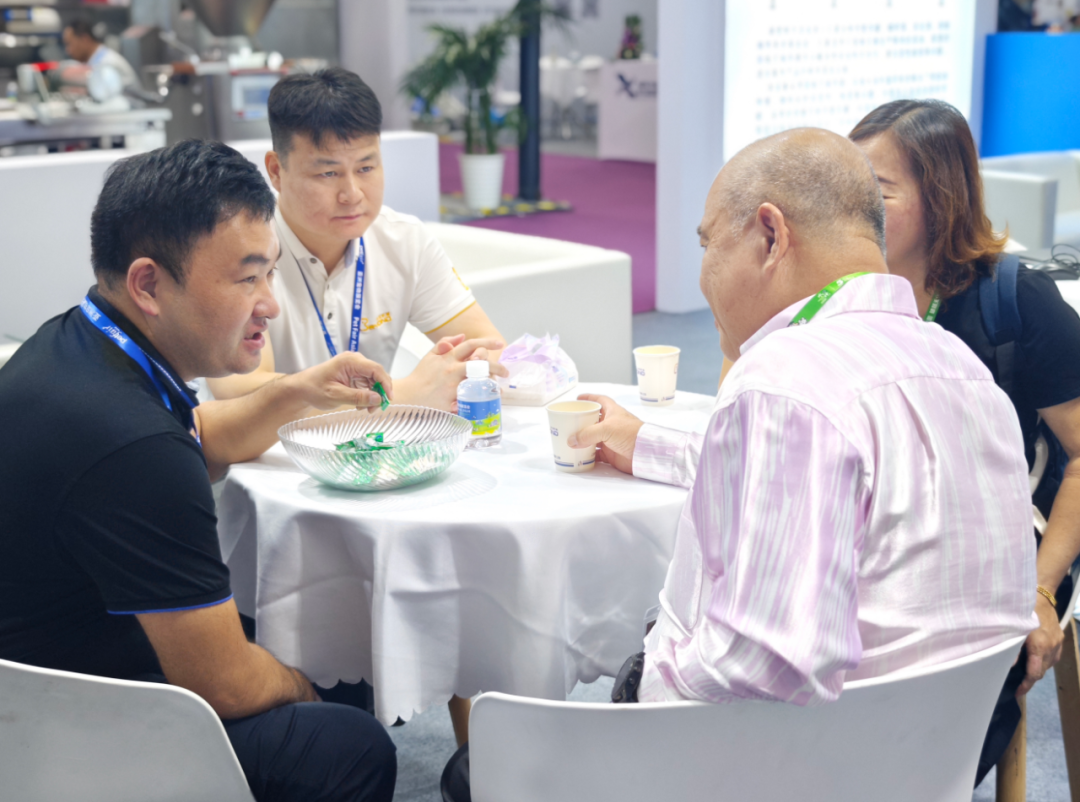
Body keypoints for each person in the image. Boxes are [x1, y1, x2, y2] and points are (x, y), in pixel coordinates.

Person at [439, 127, 1039, 801]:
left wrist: (644, 683)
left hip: (776, 768)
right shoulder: (965, 372)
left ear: (770, 235)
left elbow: (771, 658)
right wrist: (649, 444)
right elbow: (821, 474)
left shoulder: (786, 380)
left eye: (706, 244)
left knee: (481, 766)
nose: (703, 274)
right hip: (924, 765)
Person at [0, 140, 397, 802]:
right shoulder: (132, 447)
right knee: (349, 739)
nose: (269, 304)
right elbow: (225, 684)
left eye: (271, 273)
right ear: (149, 284)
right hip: (64, 721)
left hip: (51, 655)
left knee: (328, 651)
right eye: (247, 279)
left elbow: (200, 435)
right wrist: (306, 686)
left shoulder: (82, 343)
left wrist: (299, 392)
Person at [850, 98, 1080, 784]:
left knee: (929, 701)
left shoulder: (1014, 302)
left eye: (877, 191)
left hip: (1002, 547)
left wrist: (1041, 590)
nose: (853, 209)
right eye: (847, 187)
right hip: (879, 531)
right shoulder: (839, 295)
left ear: (942, 199)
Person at [208, 67, 507, 413]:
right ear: (276, 171)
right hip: (270, 448)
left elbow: (491, 351)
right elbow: (238, 391)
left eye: (366, 168)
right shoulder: (241, 250)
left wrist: (462, 370)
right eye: (328, 173)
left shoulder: (404, 241)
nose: (352, 194)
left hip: (376, 443)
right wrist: (400, 394)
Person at [62, 19, 139, 90]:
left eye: (69, 44)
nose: (67, 51)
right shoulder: (95, 61)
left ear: (85, 39)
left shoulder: (108, 63)